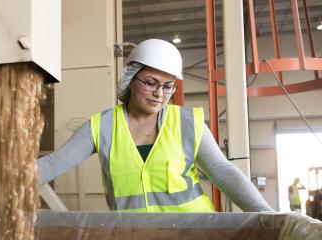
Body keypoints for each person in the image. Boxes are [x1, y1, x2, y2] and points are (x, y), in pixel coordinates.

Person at [38, 39, 273, 212]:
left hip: (195, 237)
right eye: (150, 83)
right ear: (130, 80)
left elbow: (224, 173)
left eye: (168, 86)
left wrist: (268, 215)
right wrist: (7, 180)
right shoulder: (102, 127)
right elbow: (52, 164)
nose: (159, 94)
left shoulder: (188, 124)